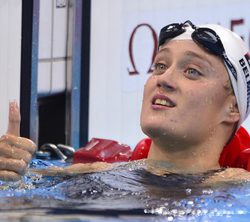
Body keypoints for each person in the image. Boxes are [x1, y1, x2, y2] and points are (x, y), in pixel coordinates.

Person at [1, 20, 250, 183]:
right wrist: (8, 176)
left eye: (192, 71)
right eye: (160, 65)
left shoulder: (239, 188)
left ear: (233, 107)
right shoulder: (96, 174)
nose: (164, 79)